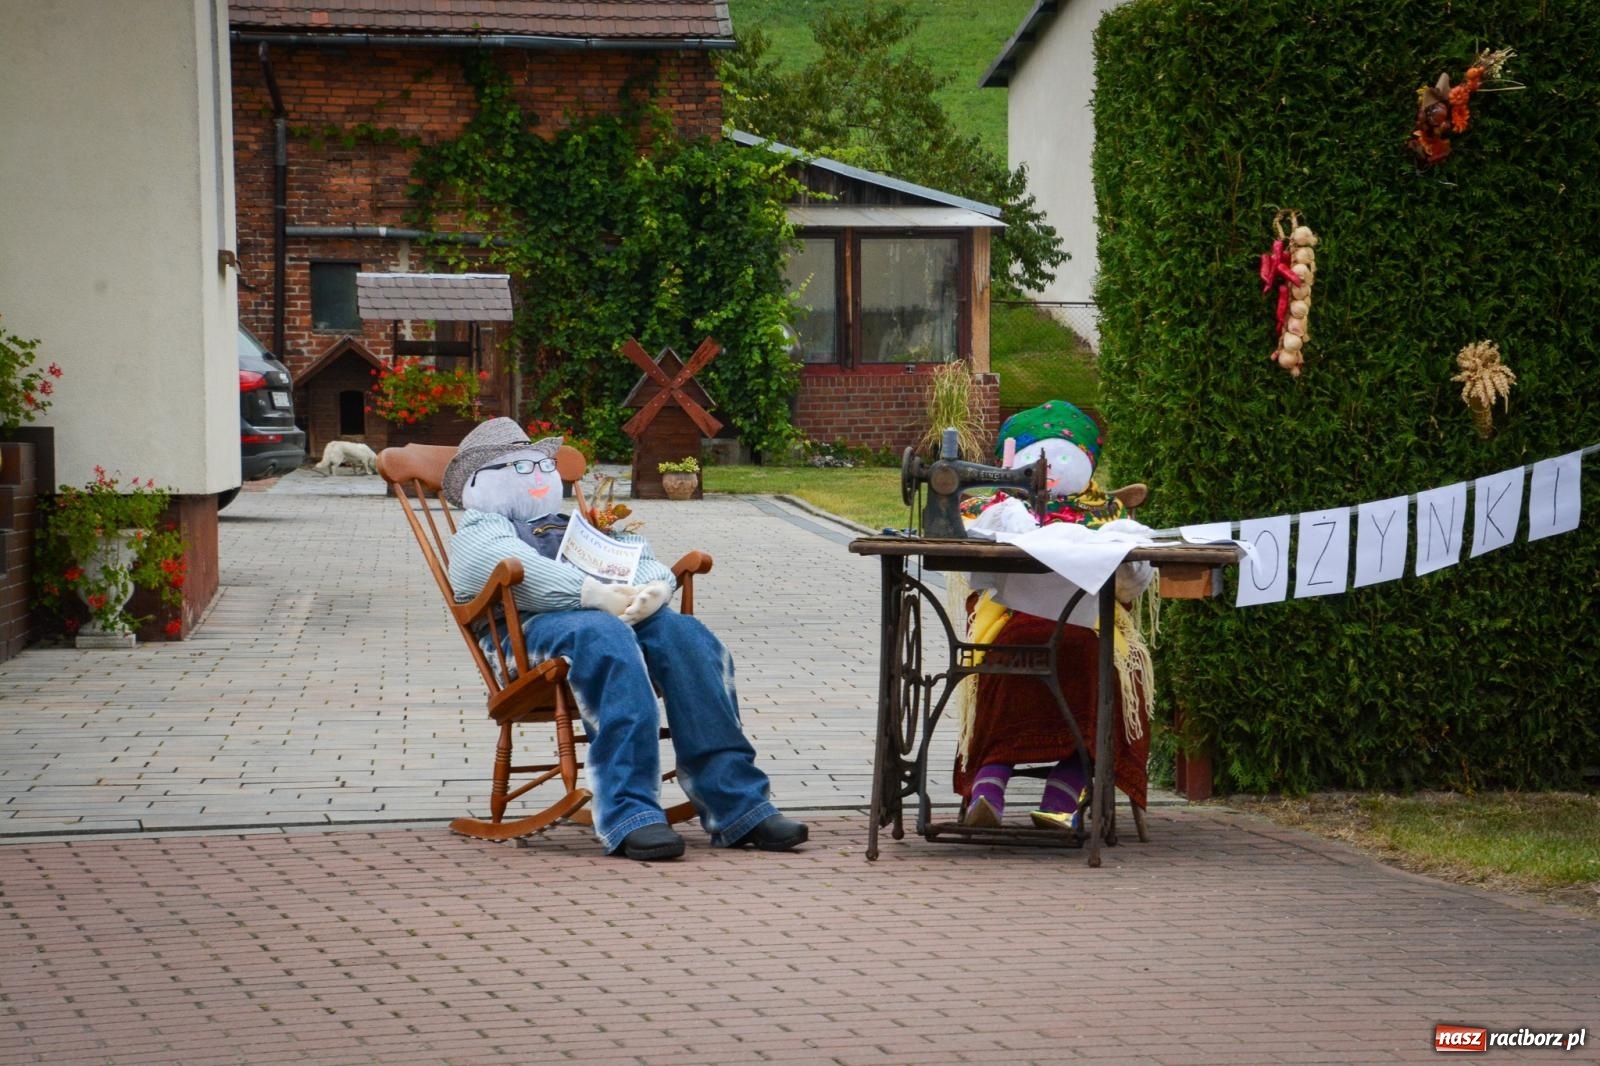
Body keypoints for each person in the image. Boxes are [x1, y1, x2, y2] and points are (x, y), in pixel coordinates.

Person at [443, 417, 807, 861]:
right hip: (523, 635)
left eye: (541, 464)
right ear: (480, 483)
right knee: (604, 634)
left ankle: (738, 803)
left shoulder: (575, 522)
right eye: (520, 469)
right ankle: (630, 811)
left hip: (608, 621)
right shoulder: (482, 529)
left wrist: (654, 589)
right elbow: (507, 566)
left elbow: (634, 557)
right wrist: (589, 594)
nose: (538, 476)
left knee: (685, 635)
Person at [954, 401, 1155, 832]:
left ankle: (1055, 783)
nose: (1050, 470)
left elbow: (1131, 584)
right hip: (1015, 620)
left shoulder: (1110, 517)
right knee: (1014, 655)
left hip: (1091, 625)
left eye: (1064, 458)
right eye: (1036, 461)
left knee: (1098, 662)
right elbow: (973, 570)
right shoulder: (999, 509)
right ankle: (998, 782)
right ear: (1011, 465)